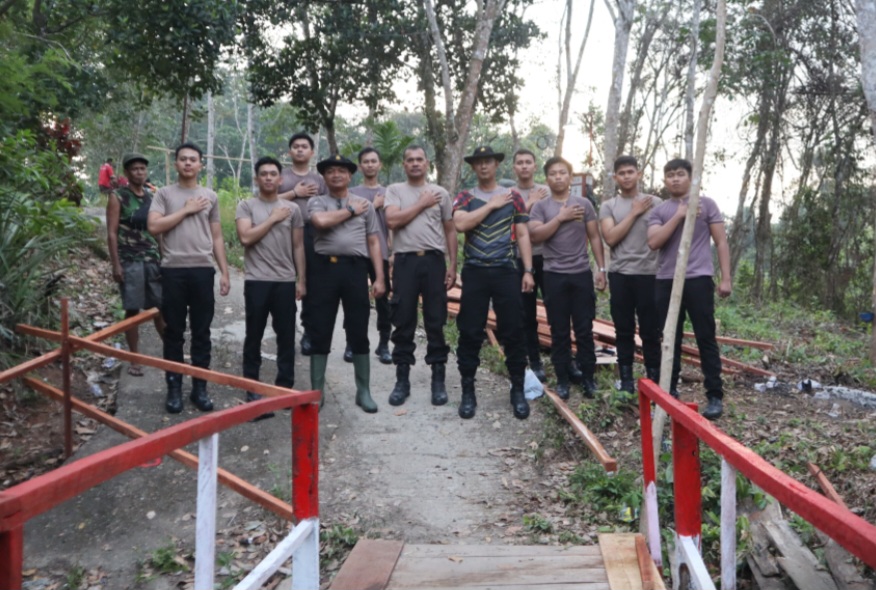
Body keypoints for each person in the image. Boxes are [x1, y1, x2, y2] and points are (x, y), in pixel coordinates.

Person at [147, 142, 231, 414]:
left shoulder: (210, 196)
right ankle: (174, 389)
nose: (187, 163)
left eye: (193, 159)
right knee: (173, 331)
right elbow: (153, 226)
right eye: (183, 159)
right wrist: (185, 209)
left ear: (200, 165)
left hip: (202, 270)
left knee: (201, 332)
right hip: (173, 270)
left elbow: (217, 236)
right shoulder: (164, 194)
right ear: (175, 164)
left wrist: (224, 272)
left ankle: (199, 388)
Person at [453, 146, 535, 420]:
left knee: (513, 330)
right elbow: (461, 225)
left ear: (496, 165)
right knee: (470, 331)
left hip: (506, 271)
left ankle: (517, 390)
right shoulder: (465, 197)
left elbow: (522, 234)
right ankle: (468, 391)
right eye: (479, 162)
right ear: (473, 167)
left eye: (488, 161)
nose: (484, 166)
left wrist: (528, 270)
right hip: (475, 272)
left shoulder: (514, 197)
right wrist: (491, 205)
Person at [647, 158, 732, 420]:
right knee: (669, 337)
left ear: (691, 177)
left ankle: (714, 395)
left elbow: (720, 241)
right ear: (665, 180)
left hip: (698, 278)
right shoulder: (660, 210)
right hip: (666, 280)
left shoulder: (707, 205)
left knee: (705, 335)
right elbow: (654, 242)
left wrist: (726, 278)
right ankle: (669, 390)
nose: (675, 179)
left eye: (680, 174)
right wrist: (679, 215)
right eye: (670, 175)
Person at [307, 154, 386, 413]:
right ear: (324, 176)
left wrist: (379, 277)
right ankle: (317, 392)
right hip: (323, 270)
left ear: (350, 176)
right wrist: (350, 211)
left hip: (355, 270)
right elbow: (320, 222)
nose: (336, 175)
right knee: (320, 329)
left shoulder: (366, 205)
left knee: (359, 329)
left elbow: (374, 241)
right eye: (331, 171)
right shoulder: (317, 201)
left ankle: (364, 391)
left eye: (342, 171)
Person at [384, 145, 457, 406]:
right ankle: (402, 380)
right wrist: (422, 204)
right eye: (410, 160)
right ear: (404, 164)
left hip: (434, 262)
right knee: (403, 320)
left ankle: (438, 380)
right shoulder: (395, 191)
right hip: (405, 262)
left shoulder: (441, 193)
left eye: (419, 159)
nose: (415, 163)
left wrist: (452, 265)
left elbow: (450, 229)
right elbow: (392, 221)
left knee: (435, 320)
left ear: (427, 164)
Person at [529, 156, 606, 400]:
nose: (558, 177)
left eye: (562, 172)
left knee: (584, 329)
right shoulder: (541, 207)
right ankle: (562, 379)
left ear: (570, 177)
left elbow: (595, 237)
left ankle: (588, 379)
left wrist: (602, 269)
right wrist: (560, 218)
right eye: (553, 173)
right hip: (553, 275)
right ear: (547, 178)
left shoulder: (584, 204)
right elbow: (535, 236)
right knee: (559, 330)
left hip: (581, 273)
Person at [236, 156, 306, 418]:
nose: (268, 178)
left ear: (280, 179)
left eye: (272, 174)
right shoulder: (246, 206)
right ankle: (252, 388)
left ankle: (284, 388)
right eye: (263, 174)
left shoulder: (293, 209)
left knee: (286, 336)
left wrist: (301, 279)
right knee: (253, 334)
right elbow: (246, 238)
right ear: (256, 179)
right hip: (257, 280)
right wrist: (273, 219)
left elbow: (298, 246)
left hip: (285, 281)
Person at [599, 155, 662, 395]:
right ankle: (626, 380)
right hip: (621, 274)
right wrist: (634, 212)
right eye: (622, 173)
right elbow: (610, 237)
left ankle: (654, 380)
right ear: (615, 177)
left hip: (650, 274)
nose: (626, 176)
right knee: (623, 329)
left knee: (650, 331)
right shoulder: (609, 206)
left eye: (630, 172)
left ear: (639, 174)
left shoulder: (656, 203)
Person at [106, 153, 166, 376]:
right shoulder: (118, 197)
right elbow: (112, 233)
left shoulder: (151, 197)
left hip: (152, 258)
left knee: (159, 308)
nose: (139, 172)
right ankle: (134, 359)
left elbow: (157, 231)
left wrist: (164, 258)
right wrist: (116, 264)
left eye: (142, 168)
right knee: (132, 309)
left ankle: (172, 355)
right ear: (127, 173)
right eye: (135, 169)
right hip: (129, 259)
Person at [277, 133, 328, 357]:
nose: (299, 149)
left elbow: (328, 205)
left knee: (310, 283)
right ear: (290, 151)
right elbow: (266, 200)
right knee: (285, 281)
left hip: (312, 234)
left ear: (312, 152)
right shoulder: (280, 176)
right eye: (295, 146)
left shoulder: (319, 180)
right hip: (282, 232)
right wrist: (295, 193)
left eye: (304, 146)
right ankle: (285, 331)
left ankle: (308, 332)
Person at [345, 147, 392, 365]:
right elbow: (348, 219)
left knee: (383, 299)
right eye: (366, 161)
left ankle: (384, 344)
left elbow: (394, 225)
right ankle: (351, 343)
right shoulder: (351, 193)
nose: (370, 165)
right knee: (354, 300)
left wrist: (393, 251)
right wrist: (374, 206)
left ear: (380, 165)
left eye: (374, 161)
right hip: (356, 251)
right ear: (360, 166)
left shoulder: (390, 193)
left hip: (380, 251)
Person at [511, 149, 549, 382]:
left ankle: (565, 361)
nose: (524, 166)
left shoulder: (547, 190)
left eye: (528, 162)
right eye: (520, 162)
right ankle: (533, 360)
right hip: (519, 259)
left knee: (557, 310)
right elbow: (507, 224)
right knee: (526, 313)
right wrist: (530, 202)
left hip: (548, 257)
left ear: (535, 166)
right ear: (514, 167)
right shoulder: (508, 194)